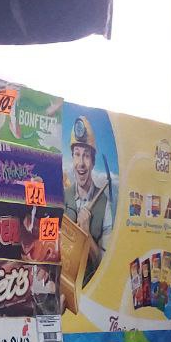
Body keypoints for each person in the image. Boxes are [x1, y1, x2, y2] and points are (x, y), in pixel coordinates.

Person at [66, 115, 110, 284]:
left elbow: (105, 265)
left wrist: (87, 236)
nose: (81, 163)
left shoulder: (105, 205)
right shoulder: (61, 197)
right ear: (72, 158)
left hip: (89, 291)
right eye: (77, 154)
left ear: (93, 162)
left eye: (86, 156)